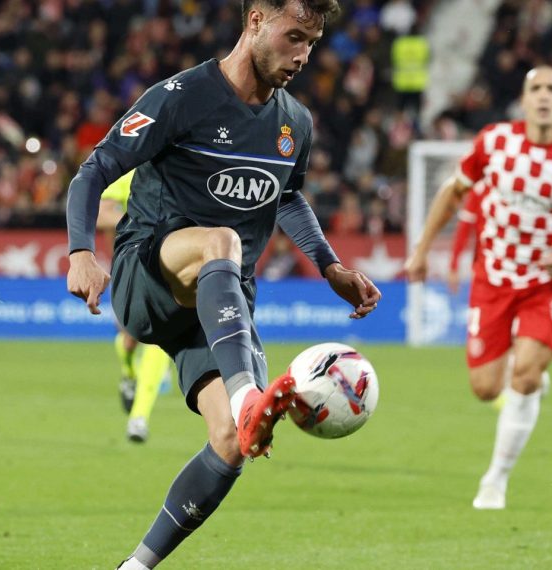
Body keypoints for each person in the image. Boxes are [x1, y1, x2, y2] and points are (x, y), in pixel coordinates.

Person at [66, 1, 380, 567]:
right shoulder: (180, 96)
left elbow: (287, 196)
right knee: (222, 242)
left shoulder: (295, 123)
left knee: (234, 443)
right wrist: (82, 252)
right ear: (256, 20)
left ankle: (135, 566)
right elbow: (95, 169)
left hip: (219, 306)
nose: (303, 56)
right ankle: (246, 399)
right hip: (148, 276)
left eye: (311, 43)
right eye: (294, 37)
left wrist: (330, 265)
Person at [405, 66, 552, 510]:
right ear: (524, 99)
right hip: (493, 280)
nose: (544, 96)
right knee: (485, 388)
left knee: (525, 375)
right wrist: (421, 250)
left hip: (547, 283)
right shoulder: (495, 142)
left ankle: (495, 481)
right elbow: (453, 193)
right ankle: (529, 376)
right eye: (536, 89)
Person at [97, 169, 173, 443]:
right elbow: (101, 215)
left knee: (159, 339)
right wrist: (142, 221)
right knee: (129, 341)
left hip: (170, 272)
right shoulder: (130, 173)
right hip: (130, 270)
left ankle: (139, 418)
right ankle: (129, 373)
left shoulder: (184, 169)